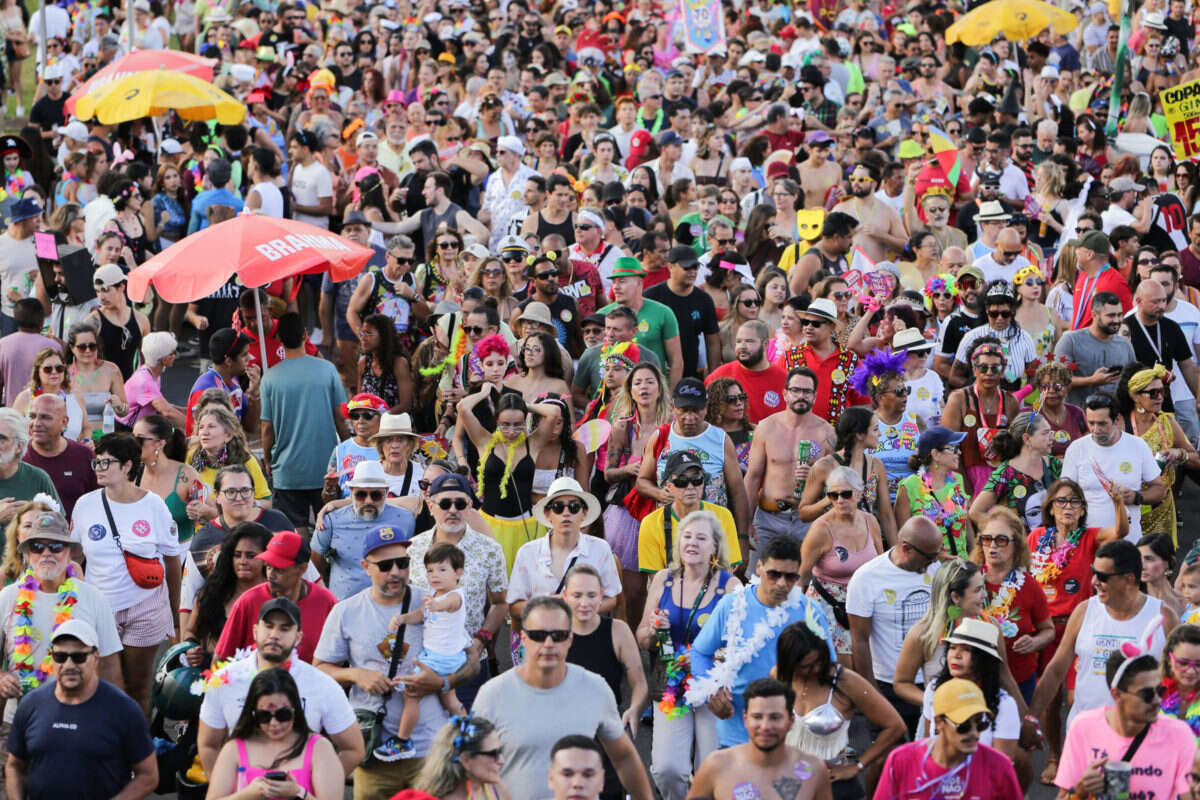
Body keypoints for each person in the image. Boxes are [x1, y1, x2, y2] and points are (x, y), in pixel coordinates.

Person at [313, 526, 484, 798]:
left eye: (402, 563)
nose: (395, 572)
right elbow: (320, 668)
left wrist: (442, 683)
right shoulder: (345, 611)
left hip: (432, 749)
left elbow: (473, 661)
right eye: (384, 565)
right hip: (374, 750)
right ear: (365, 567)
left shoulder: (433, 601)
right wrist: (357, 675)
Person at [472, 596, 654, 800]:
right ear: (523, 638)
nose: (548, 643)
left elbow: (624, 757)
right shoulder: (492, 695)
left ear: (570, 639)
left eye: (558, 635)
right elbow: (472, 770)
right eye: (538, 635)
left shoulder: (595, 688)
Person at [687, 536, 835, 747]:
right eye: (774, 574)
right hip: (736, 731)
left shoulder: (810, 612)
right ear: (759, 567)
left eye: (791, 577)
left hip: (790, 734)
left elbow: (829, 666)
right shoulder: (732, 605)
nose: (782, 583)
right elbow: (700, 652)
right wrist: (712, 690)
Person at [70, 432, 180, 715]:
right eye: (97, 463)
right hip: (99, 607)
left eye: (107, 463)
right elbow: (74, 558)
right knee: (106, 687)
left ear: (128, 466)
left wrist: (175, 615)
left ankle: (137, 753)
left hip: (145, 606)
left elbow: (171, 560)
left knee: (138, 687)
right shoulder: (85, 505)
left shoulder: (153, 504)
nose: (99, 469)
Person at [635, 508, 740, 800]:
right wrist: (654, 630)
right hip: (671, 684)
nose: (692, 543)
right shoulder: (663, 580)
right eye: (687, 537)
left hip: (711, 686)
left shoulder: (730, 587)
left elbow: (740, 647)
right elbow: (641, 637)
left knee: (710, 766)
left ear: (715, 547)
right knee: (668, 768)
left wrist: (712, 657)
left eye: (701, 538)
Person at [196, 596, 363, 777]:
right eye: (268, 626)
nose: (274, 635)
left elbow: (353, 749)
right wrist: (224, 788)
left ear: (298, 637)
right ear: (255, 630)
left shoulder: (322, 685)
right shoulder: (224, 681)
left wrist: (318, 787)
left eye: (285, 628)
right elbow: (208, 745)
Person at [1030, 539, 1177, 732]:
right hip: (1085, 734)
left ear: (1129, 579)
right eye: (1094, 573)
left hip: (1142, 737)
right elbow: (1056, 671)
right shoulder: (1084, 611)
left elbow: (1181, 679)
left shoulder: (1163, 617)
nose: (1094, 582)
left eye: (1103, 576)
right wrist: (1030, 719)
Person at [4, 620, 157, 800]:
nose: (69, 665)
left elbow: (148, 776)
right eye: (60, 656)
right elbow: (14, 766)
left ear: (95, 657)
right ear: (52, 658)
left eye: (78, 657)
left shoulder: (123, 709)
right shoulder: (31, 704)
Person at [405, 472, 508, 705]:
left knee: (465, 735)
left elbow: (501, 602)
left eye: (460, 503)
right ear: (431, 507)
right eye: (444, 503)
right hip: (421, 660)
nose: (452, 510)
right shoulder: (412, 548)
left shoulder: (489, 550)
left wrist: (481, 641)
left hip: (467, 662)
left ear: (470, 507)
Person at [0, 507, 121, 703]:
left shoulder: (94, 598)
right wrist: (1, 678)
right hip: (19, 717)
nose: (46, 553)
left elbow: (110, 668)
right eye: (38, 547)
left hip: (79, 715)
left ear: (69, 552)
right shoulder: (7, 597)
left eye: (56, 546)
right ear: (29, 554)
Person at [846, 516, 943, 736]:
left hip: (931, 682)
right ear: (906, 548)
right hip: (887, 684)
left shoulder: (935, 569)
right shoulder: (866, 578)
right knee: (887, 759)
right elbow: (859, 640)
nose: (934, 561)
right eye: (929, 556)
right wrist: (872, 696)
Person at [1055, 650, 1196, 800]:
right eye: (1147, 694)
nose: (1157, 700)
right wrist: (1080, 791)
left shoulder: (1178, 734)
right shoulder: (1083, 727)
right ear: (1116, 694)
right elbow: (1062, 797)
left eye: (1160, 691)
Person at [378, 543, 472, 761]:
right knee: (450, 702)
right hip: (440, 656)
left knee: (411, 694)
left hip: (442, 658)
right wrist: (402, 619)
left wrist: (435, 605)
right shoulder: (434, 595)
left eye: (442, 570)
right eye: (430, 570)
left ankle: (402, 741)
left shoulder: (455, 595)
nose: (434, 575)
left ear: (458, 573)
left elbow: (448, 605)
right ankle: (467, 739)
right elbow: (419, 615)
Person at [564, 563, 649, 797]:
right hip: (565, 729)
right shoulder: (554, 634)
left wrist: (634, 709)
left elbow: (639, 682)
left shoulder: (618, 630)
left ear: (602, 595)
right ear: (564, 596)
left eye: (592, 595)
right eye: (577, 595)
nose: (584, 603)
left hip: (607, 728)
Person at [261, 313, 350, 535]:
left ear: (280, 340)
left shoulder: (269, 377)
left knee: (294, 533)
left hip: (287, 470)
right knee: (330, 528)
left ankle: (304, 570)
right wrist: (349, 448)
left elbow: (267, 428)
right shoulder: (327, 369)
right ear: (305, 336)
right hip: (327, 468)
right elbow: (341, 416)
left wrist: (268, 459)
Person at [205, 667, 345, 800]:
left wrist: (298, 793)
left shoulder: (319, 748)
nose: (274, 723)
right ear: (253, 713)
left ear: (295, 710)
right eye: (264, 716)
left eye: (282, 715)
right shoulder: (234, 748)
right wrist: (247, 795)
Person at [873, 679, 1022, 800]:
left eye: (980, 724)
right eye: (963, 726)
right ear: (938, 722)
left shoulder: (999, 766)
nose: (975, 733)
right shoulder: (900, 761)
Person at [687, 678, 832, 800]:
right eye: (757, 717)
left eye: (775, 717)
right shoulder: (717, 766)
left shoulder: (814, 769)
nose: (765, 726)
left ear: (791, 720)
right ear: (745, 719)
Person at [746, 366, 838, 555]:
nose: (801, 396)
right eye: (795, 390)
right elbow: (753, 477)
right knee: (756, 579)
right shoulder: (766, 427)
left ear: (814, 395)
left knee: (807, 581)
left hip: (808, 520)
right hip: (767, 518)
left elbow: (836, 483)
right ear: (785, 393)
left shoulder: (827, 433)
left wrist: (815, 474)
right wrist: (745, 523)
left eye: (807, 391)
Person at [800, 465, 885, 667]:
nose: (839, 500)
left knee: (869, 665)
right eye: (833, 495)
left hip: (863, 603)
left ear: (859, 493)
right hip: (829, 604)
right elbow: (801, 576)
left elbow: (881, 565)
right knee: (844, 669)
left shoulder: (870, 521)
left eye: (846, 494)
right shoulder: (821, 529)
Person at [214, 531, 338, 664]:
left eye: (279, 569)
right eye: (268, 567)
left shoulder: (326, 602)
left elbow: (338, 659)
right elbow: (220, 659)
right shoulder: (248, 601)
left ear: (302, 569)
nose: (271, 575)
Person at [1062, 392, 1166, 542]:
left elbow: (1159, 490)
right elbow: (1064, 494)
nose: (1095, 430)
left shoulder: (1137, 446)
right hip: (1088, 541)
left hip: (1128, 541)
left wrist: (1136, 497)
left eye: (1102, 424)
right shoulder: (1076, 448)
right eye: (1091, 423)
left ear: (1117, 420)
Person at [1117, 363, 1200, 543]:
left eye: (1163, 391)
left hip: (1161, 510)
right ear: (1135, 396)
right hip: (1128, 509)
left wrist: (1179, 454)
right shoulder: (1118, 424)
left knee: (1159, 566)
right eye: (1153, 393)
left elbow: (1197, 460)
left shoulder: (1167, 422)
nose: (1160, 397)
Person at [312, 460, 416, 599]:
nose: (368, 501)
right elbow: (315, 559)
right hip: (344, 604)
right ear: (351, 492)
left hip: (391, 603)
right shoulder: (331, 520)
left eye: (376, 495)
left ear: (386, 492)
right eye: (361, 495)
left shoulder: (405, 519)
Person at [638, 450, 743, 577]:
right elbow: (656, 581)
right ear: (669, 486)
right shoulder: (651, 523)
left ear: (703, 482)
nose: (690, 486)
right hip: (670, 592)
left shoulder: (723, 516)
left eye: (696, 479)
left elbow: (726, 572)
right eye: (682, 481)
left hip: (713, 591)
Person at [941, 337, 1021, 496]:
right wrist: (965, 491)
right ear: (974, 369)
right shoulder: (959, 399)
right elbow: (948, 449)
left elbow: (1017, 449)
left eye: (995, 368)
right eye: (983, 368)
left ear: (1003, 370)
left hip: (1002, 479)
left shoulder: (1010, 402)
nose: (989, 373)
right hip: (966, 478)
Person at [778, 298, 867, 426]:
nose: (808, 327)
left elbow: (863, 403)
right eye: (806, 322)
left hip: (837, 438)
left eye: (816, 324)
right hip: (796, 435)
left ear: (832, 327)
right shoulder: (789, 357)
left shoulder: (851, 360)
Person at [969, 411, 1060, 532]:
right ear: (1027, 438)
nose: (1052, 437)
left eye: (1051, 432)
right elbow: (976, 512)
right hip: (1024, 548)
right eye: (1045, 433)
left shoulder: (1055, 465)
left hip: (1056, 545)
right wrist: (1005, 534)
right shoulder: (1005, 474)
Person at [895, 426, 973, 558]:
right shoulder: (909, 486)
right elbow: (904, 539)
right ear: (936, 454)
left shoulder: (957, 480)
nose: (959, 452)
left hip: (960, 566)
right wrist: (935, 555)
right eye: (953, 448)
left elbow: (967, 525)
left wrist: (974, 557)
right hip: (927, 569)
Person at [1055, 291, 1136, 408]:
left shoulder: (1125, 345)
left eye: (1119, 315)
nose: (1117, 320)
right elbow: (1058, 380)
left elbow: (1133, 379)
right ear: (1094, 315)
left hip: (1113, 419)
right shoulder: (1070, 341)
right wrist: (1091, 381)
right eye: (1111, 315)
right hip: (1078, 416)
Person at [22, 394, 96, 517]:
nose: (36, 423)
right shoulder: (18, 456)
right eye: (32, 416)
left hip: (72, 534)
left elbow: (98, 501)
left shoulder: (84, 456)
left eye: (45, 417)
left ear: (64, 422)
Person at [704, 320, 787, 424]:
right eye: (738, 341)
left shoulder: (785, 380)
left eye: (749, 341)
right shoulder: (718, 376)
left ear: (766, 344)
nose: (742, 346)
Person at [411, 714, 511, 799]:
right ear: (466, 760)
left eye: (500, 751)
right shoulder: (441, 797)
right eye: (493, 754)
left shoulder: (498, 790)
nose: (502, 760)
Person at [10, 347, 91, 443]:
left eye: (59, 368)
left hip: (70, 455)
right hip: (32, 456)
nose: (54, 372)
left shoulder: (76, 397)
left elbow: (86, 428)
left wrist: (86, 441)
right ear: (38, 371)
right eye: (48, 369)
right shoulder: (25, 398)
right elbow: (11, 431)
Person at [1140, 533, 1187, 620]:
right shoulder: (1132, 603)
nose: (1142, 566)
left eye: (1149, 559)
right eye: (1138, 559)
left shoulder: (1185, 603)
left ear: (1170, 562)